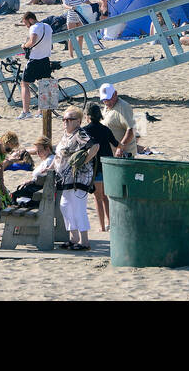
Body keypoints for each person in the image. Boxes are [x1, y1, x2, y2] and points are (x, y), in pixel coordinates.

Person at [53, 104, 99, 251]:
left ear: (78, 121)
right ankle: (73, 238)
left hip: (79, 178)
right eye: (64, 119)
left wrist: (83, 162)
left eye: (69, 119)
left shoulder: (80, 133)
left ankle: (84, 241)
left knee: (78, 208)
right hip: (66, 179)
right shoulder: (66, 135)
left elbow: (95, 146)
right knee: (65, 206)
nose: (66, 122)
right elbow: (60, 154)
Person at [82, 103, 118, 231]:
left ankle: (102, 227)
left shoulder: (85, 130)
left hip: (95, 167)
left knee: (97, 197)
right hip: (107, 167)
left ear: (87, 116)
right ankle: (110, 224)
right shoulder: (105, 129)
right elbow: (116, 144)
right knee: (104, 196)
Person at [18, 11, 54, 120]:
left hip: (35, 59)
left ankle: (26, 111)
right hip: (45, 59)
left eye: (26, 23)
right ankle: (41, 112)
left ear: (30, 20)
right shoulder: (47, 26)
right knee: (45, 85)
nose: (26, 26)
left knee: (24, 84)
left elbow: (32, 41)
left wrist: (24, 45)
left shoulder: (33, 28)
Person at [100, 82, 137, 157]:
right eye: (104, 99)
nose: (106, 102)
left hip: (123, 154)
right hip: (111, 153)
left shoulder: (123, 107)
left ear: (115, 94)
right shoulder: (107, 106)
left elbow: (131, 129)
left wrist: (121, 147)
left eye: (108, 98)